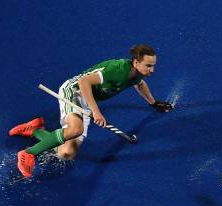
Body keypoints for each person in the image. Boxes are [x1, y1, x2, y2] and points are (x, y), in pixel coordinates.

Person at [10, 44, 174, 178]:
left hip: (87, 101)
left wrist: (154, 103)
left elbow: (139, 84)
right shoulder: (116, 69)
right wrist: (96, 112)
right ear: (136, 62)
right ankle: (28, 154)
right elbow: (83, 81)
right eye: (149, 66)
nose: (152, 70)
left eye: (153, 66)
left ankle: (35, 130)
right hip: (74, 91)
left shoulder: (137, 73)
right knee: (76, 129)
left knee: (66, 153)